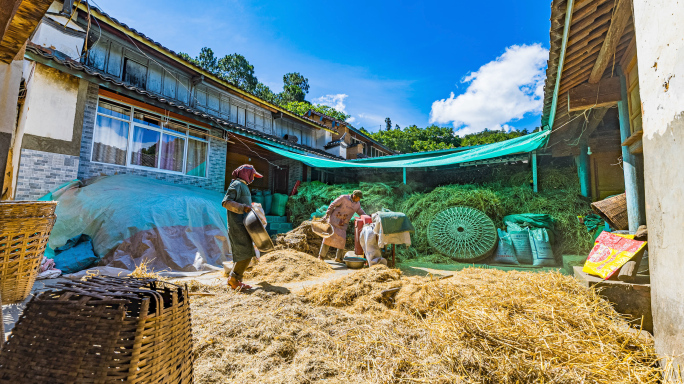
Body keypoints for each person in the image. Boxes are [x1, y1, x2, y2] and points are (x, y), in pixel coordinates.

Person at [222, 164, 263, 290]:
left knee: (246, 253)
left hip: (244, 225)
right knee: (245, 253)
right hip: (237, 225)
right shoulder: (236, 185)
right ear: (247, 174)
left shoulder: (243, 186)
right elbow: (226, 202)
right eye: (253, 176)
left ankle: (234, 279)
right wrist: (243, 208)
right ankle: (234, 280)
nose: (253, 179)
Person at [320, 190, 366, 262]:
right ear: (354, 196)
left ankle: (338, 258)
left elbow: (360, 211)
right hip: (334, 221)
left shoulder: (357, 204)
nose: (359, 199)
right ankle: (321, 256)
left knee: (342, 240)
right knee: (327, 239)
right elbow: (333, 205)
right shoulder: (343, 198)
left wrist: (367, 217)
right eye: (359, 198)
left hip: (343, 223)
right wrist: (327, 215)